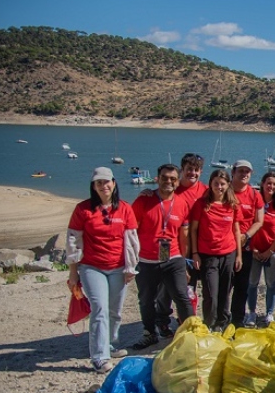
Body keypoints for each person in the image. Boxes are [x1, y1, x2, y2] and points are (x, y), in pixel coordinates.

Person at [66, 167, 140, 373]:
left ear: (114, 183)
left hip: (118, 267)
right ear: (93, 186)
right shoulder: (83, 210)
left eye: (106, 182)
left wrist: (130, 267)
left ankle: (108, 344)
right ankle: (99, 356)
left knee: (115, 311)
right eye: (99, 183)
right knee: (99, 309)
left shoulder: (124, 208)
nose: (103, 186)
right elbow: (73, 241)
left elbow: (133, 241)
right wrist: (73, 272)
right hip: (92, 267)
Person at [130, 163, 193, 350]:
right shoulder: (143, 200)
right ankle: (150, 333)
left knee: (181, 295)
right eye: (164, 177)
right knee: (147, 299)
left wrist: (185, 261)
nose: (168, 181)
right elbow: (131, 230)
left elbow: (184, 235)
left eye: (173, 179)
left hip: (173, 257)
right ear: (157, 178)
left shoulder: (182, 203)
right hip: (147, 259)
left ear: (177, 181)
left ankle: (191, 334)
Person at [152, 152, 205, 337]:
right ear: (182, 170)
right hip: (167, 244)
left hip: (195, 245)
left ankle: (185, 319)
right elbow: (156, 197)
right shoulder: (173, 187)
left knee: (189, 284)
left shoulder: (205, 191)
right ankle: (162, 321)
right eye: (189, 169)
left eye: (196, 170)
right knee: (165, 285)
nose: (192, 173)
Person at [190, 169, 242, 331]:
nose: (219, 187)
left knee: (224, 293)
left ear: (228, 185)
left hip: (228, 253)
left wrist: (239, 255)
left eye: (222, 184)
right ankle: (209, 324)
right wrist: (195, 253)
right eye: (216, 183)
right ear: (211, 184)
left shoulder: (232, 205)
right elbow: (193, 230)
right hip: (208, 255)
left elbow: (236, 231)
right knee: (211, 294)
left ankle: (222, 323)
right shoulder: (201, 204)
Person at [244, 172, 275, 326]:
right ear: (262, 183)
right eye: (268, 183)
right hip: (254, 250)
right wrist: (252, 249)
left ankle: (269, 313)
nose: (271, 186)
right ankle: (252, 313)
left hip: (272, 251)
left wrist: (270, 251)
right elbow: (248, 225)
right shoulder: (255, 201)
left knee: (271, 283)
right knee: (252, 282)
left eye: (274, 184)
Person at [229, 160, 264, 327]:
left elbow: (259, 221)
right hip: (225, 245)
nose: (244, 174)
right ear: (233, 172)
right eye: (241, 171)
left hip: (246, 246)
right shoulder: (224, 190)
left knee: (242, 286)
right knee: (224, 286)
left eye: (247, 172)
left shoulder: (255, 194)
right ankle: (219, 319)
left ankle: (237, 320)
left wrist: (246, 236)